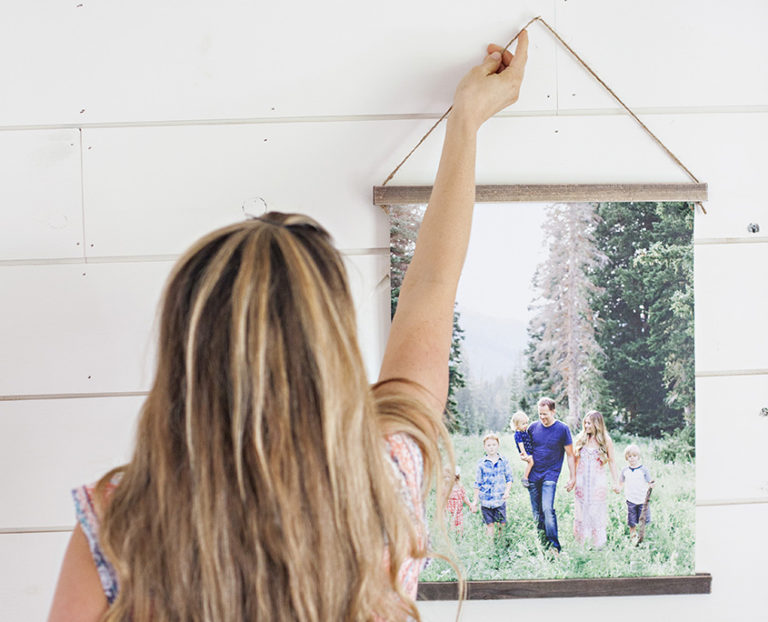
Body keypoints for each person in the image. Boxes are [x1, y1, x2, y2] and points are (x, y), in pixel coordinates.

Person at [47, 34, 529, 622]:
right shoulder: (386, 481)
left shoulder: (120, 525)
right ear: (329, 353)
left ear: (189, 357)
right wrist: (466, 122)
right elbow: (431, 289)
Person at [524, 397, 576, 553]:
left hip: (550, 475)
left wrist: (572, 477)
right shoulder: (532, 428)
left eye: (545, 414)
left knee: (547, 509)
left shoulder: (562, 429)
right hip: (533, 476)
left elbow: (570, 455)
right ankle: (543, 545)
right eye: (540, 414)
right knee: (537, 514)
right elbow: (526, 450)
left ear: (553, 411)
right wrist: (524, 456)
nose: (542, 417)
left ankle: (554, 546)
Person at [571, 410, 620, 547]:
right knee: (581, 511)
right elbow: (574, 461)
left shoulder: (605, 440)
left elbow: (612, 462)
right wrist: (572, 479)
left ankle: (597, 544)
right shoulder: (581, 439)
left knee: (595, 511)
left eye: (589, 423)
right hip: (581, 481)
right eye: (585, 423)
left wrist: (616, 482)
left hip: (597, 482)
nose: (586, 426)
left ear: (597, 424)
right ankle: (582, 543)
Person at [472, 433, 513, 537]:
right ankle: (490, 545)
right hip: (486, 501)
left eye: (494, 445)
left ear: (498, 445)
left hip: (500, 499)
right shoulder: (481, 463)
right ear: (484, 447)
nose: (491, 447)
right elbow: (477, 483)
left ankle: (501, 543)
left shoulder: (503, 461)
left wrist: (507, 491)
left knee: (501, 525)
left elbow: (509, 478)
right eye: (489, 445)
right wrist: (475, 501)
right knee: (489, 525)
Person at [620, 443, 654, 540]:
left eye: (634, 456)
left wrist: (651, 485)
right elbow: (621, 482)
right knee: (632, 520)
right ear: (626, 458)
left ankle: (642, 537)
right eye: (629, 456)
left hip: (642, 499)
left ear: (638, 457)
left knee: (643, 519)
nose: (632, 458)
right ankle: (633, 537)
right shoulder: (625, 470)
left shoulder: (643, 470)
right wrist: (618, 488)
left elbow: (649, 482)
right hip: (630, 499)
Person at [446, 466, 475, 534]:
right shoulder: (446, 488)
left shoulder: (460, 486)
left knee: (460, 530)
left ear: (456, 477)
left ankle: (459, 538)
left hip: (459, 513)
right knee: (451, 530)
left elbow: (464, 497)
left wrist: (470, 505)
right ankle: (452, 539)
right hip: (450, 513)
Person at [510, 410, 534, 487]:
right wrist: (525, 454)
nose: (526, 425)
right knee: (531, 462)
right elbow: (521, 444)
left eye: (526, 423)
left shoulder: (524, 431)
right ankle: (525, 478)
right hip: (525, 452)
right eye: (523, 424)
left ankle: (530, 476)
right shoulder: (518, 434)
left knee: (533, 462)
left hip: (529, 450)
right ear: (516, 426)